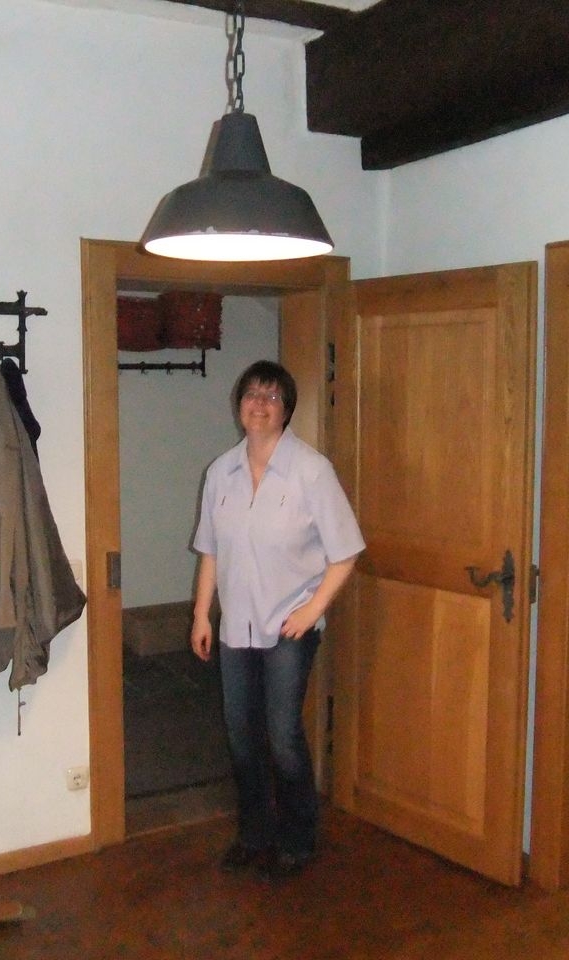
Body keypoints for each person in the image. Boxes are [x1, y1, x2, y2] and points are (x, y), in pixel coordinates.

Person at [190, 359, 365, 882]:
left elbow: (346, 552)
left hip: (289, 626)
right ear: (239, 405)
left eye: (271, 397)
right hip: (235, 626)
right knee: (242, 736)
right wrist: (201, 614)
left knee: (283, 735)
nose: (260, 405)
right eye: (252, 394)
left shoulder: (312, 471)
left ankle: (297, 837)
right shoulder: (220, 472)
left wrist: (312, 610)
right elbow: (211, 551)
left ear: (286, 409)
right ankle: (254, 833)